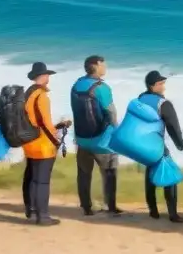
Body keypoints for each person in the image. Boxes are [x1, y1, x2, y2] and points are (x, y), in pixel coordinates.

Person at [71, 55, 121, 216]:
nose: (105, 67)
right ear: (95, 66)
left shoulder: (76, 85)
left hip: (82, 139)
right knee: (109, 173)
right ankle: (110, 206)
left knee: (84, 174)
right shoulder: (102, 88)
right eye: (103, 64)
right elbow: (111, 113)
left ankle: (86, 206)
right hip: (102, 141)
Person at [23, 62, 71, 226]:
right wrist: (56, 140)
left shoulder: (27, 94)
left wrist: (56, 127)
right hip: (43, 145)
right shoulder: (41, 96)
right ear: (42, 76)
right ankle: (43, 217)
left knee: (34, 179)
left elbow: (34, 121)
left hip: (29, 142)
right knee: (42, 181)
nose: (48, 77)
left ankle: (33, 211)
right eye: (47, 75)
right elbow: (44, 122)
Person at [139, 71, 183, 223]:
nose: (163, 87)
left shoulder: (140, 99)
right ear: (152, 86)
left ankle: (153, 211)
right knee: (170, 176)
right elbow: (173, 125)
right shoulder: (163, 103)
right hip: (157, 144)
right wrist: (179, 143)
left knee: (150, 174)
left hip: (142, 144)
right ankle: (173, 214)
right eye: (160, 84)